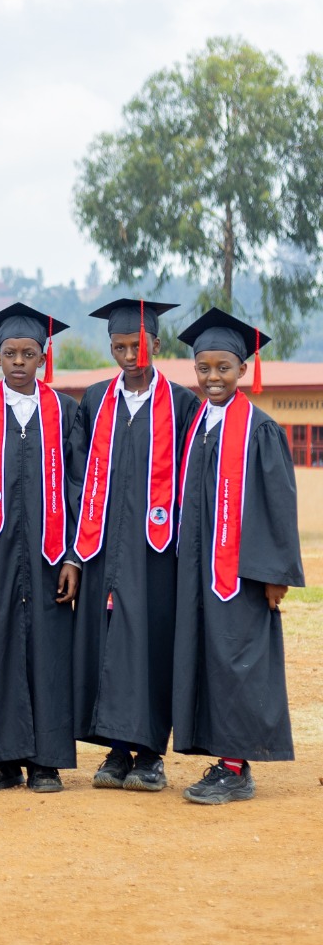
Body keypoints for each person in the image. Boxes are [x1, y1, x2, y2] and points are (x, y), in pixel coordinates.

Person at [62, 298, 200, 793]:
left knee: (150, 643)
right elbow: (76, 478)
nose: (129, 356)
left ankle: (150, 755)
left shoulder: (182, 404)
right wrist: (75, 553)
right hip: (101, 547)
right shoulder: (95, 400)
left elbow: (192, 480)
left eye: (137, 346)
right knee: (104, 643)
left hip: (156, 553)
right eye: (119, 347)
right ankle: (116, 749)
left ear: (156, 344)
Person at [171, 309, 304, 805]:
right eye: (203, 368)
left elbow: (277, 504)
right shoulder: (197, 424)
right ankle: (221, 757)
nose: (213, 377)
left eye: (223, 368)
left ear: (243, 370)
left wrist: (274, 574)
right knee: (206, 656)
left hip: (241, 573)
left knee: (236, 660)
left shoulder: (259, 429)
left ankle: (236, 768)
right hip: (197, 569)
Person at [0, 307, 80, 795]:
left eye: (29, 353)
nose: (19, 362)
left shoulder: (66, 411)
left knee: (50, 652)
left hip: (51, 556)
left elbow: (79, 488)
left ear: (43, 357)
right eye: (10, 353)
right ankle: (1, 761)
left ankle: (46, 763)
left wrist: (73, 556)